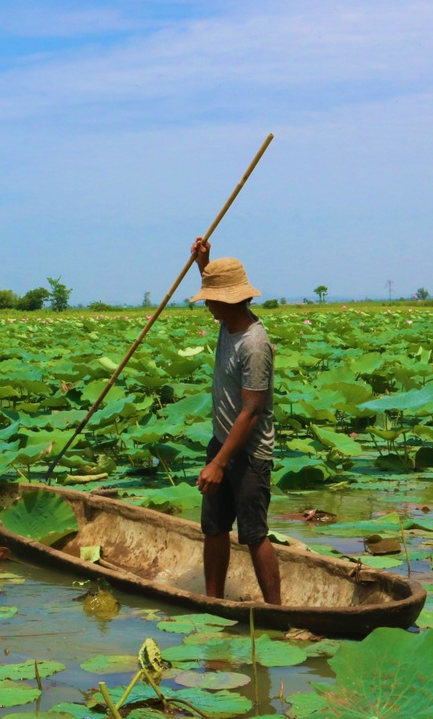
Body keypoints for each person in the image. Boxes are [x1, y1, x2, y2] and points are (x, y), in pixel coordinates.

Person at [189, 238, 281, 605]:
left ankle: (276, 610)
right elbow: (217, 291)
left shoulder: (254, 344)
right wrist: (204, 263)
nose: (206, 304)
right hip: (221, 441)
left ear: (228, 301)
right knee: (213, 527)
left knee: (254, 534)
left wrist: (219, 463)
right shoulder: (228, 322)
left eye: (211, 298)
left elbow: (251, 411)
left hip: (249, 453)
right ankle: (212, 601)